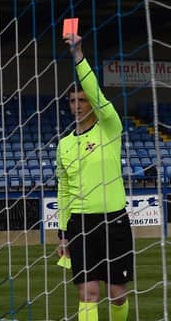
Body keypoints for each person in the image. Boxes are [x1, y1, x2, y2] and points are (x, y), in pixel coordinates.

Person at [56, 34, 133, 321]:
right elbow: (63, 189)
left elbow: (95, 90)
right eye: (72, 100)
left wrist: (77, 54)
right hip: (79, 223)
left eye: (82, 99)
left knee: (117, 293)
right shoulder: (64, 145)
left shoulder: (109, 127)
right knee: (87, 293)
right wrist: (63, 233)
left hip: (113, 221)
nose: (77, 105)